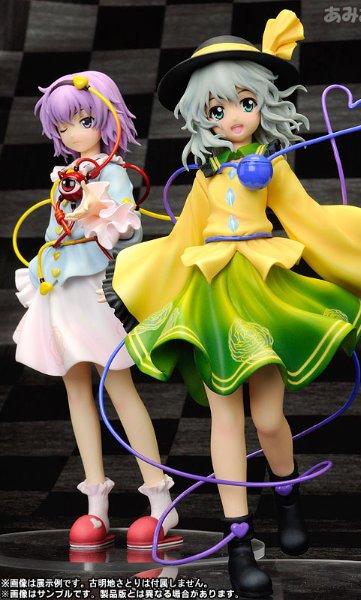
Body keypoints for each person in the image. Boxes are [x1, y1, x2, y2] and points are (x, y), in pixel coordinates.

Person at [103, 10, 361, 597]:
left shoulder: (273, 167)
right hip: (214, 299)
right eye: (216, 110)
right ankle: (239, 538)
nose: (233, 118)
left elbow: (312, 222)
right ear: (201, 117)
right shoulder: (205, 177)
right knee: (224, 417)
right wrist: (131, 287)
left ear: (263, 103)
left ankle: (286, 495)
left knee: (266, 418)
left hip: (263, 291)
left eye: (244, 103)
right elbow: (180, 242)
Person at [13, 71, 181, 552]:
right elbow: (54, 234)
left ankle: (161, 501)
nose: (72, 134)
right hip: (61, 289)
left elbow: (128, 229)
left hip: (96, 290)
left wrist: (102, 218)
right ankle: (96, 506)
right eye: (62, 126)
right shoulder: (65, 176)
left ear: (106, 119)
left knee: (120, 387)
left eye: (82, 121)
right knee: (76, 389)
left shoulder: (114, 172)